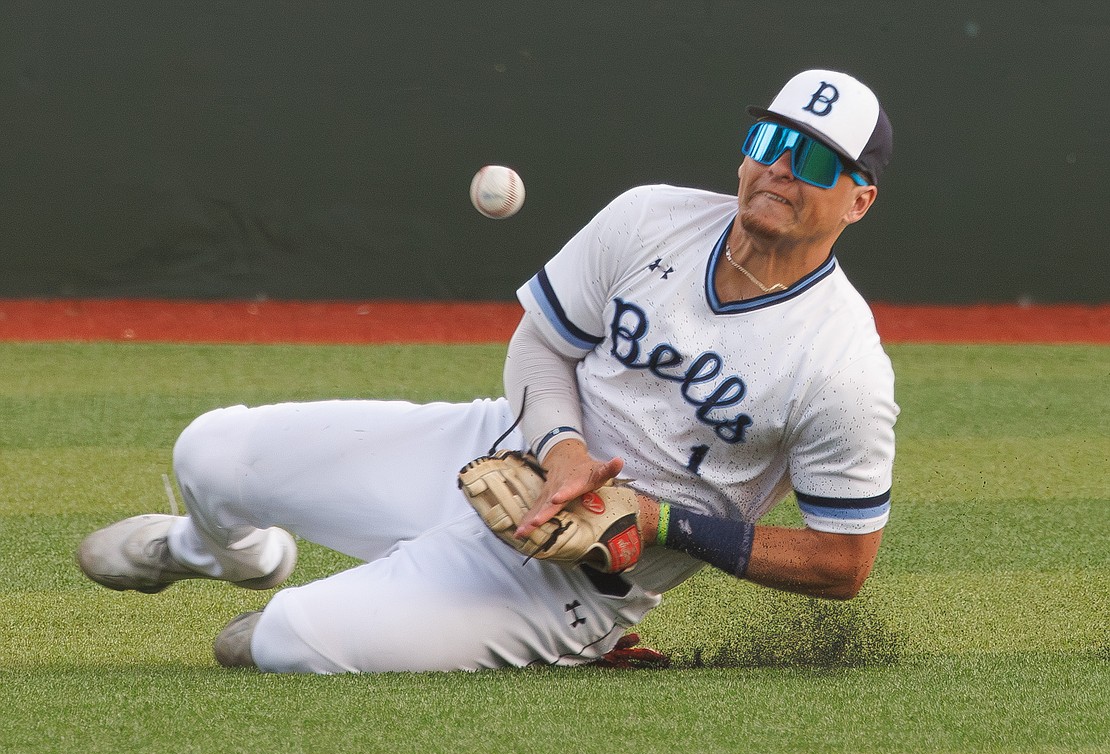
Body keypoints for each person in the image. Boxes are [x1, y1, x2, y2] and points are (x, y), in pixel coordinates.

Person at [76, 68, 898, 673]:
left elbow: (844, 562)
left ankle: (574, 643)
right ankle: (221, 551)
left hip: (565, 580)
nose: (780, 168)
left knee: (270, 642)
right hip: (488, 454)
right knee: (209, 452)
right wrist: (566, 445)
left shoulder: (841, 365)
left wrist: (663, 523)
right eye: (770, 141)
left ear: (859, 199)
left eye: (816, 160)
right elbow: (541, 344)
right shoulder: (652, 217)